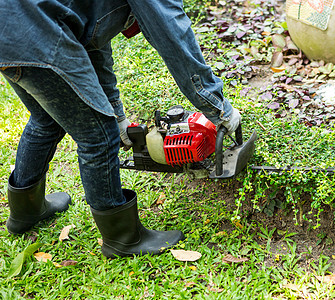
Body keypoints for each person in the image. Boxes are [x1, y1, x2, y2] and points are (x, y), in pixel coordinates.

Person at [0, 0, 241, 258]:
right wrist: (216, 105)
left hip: (10, 27)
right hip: (37, 34)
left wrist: (117, 113)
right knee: (98, 135)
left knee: (46, 117)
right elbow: (172, 33)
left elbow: (92, 37)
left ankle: (26, 211)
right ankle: (123, 239)